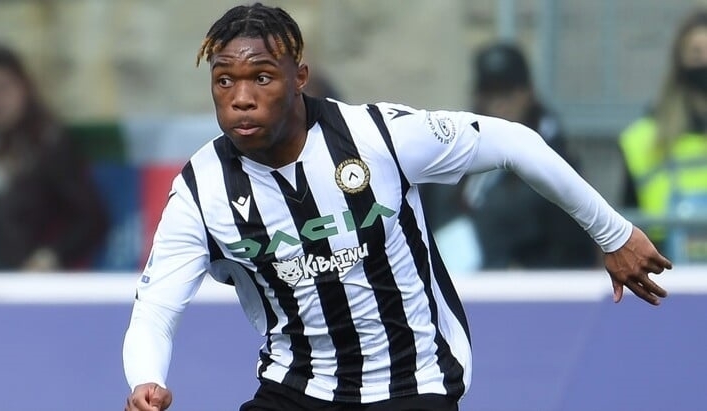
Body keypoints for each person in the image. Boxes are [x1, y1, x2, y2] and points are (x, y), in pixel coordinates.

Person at [123, 4, 672, 410]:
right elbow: (156, 308)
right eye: (224, 81)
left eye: (261, 77)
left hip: (415, 383)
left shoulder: (378, 137)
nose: (241, 98)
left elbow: (514, 142)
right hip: (296, 387)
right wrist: (146, 379)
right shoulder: (201, 189)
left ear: (299, 78)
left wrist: (613, 233)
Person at [461, 42, 597, 269]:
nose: (499, 104)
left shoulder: (554, 159)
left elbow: (574, 248)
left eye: (508, 93)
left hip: (540, 284)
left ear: (529, 93)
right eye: (489, 94)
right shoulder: (461, 151)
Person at [0, 46, 108, 271]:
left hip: (17, 273)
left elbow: (91, 219)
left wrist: (49, 257)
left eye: (3, 88)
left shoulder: (47, 143)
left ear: (24, 88)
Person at [620, 9, 707, 263]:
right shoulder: (643, 138)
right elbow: (628, 224)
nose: (704, 61)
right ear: (680, 63)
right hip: (668, 276)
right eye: (696, 53)